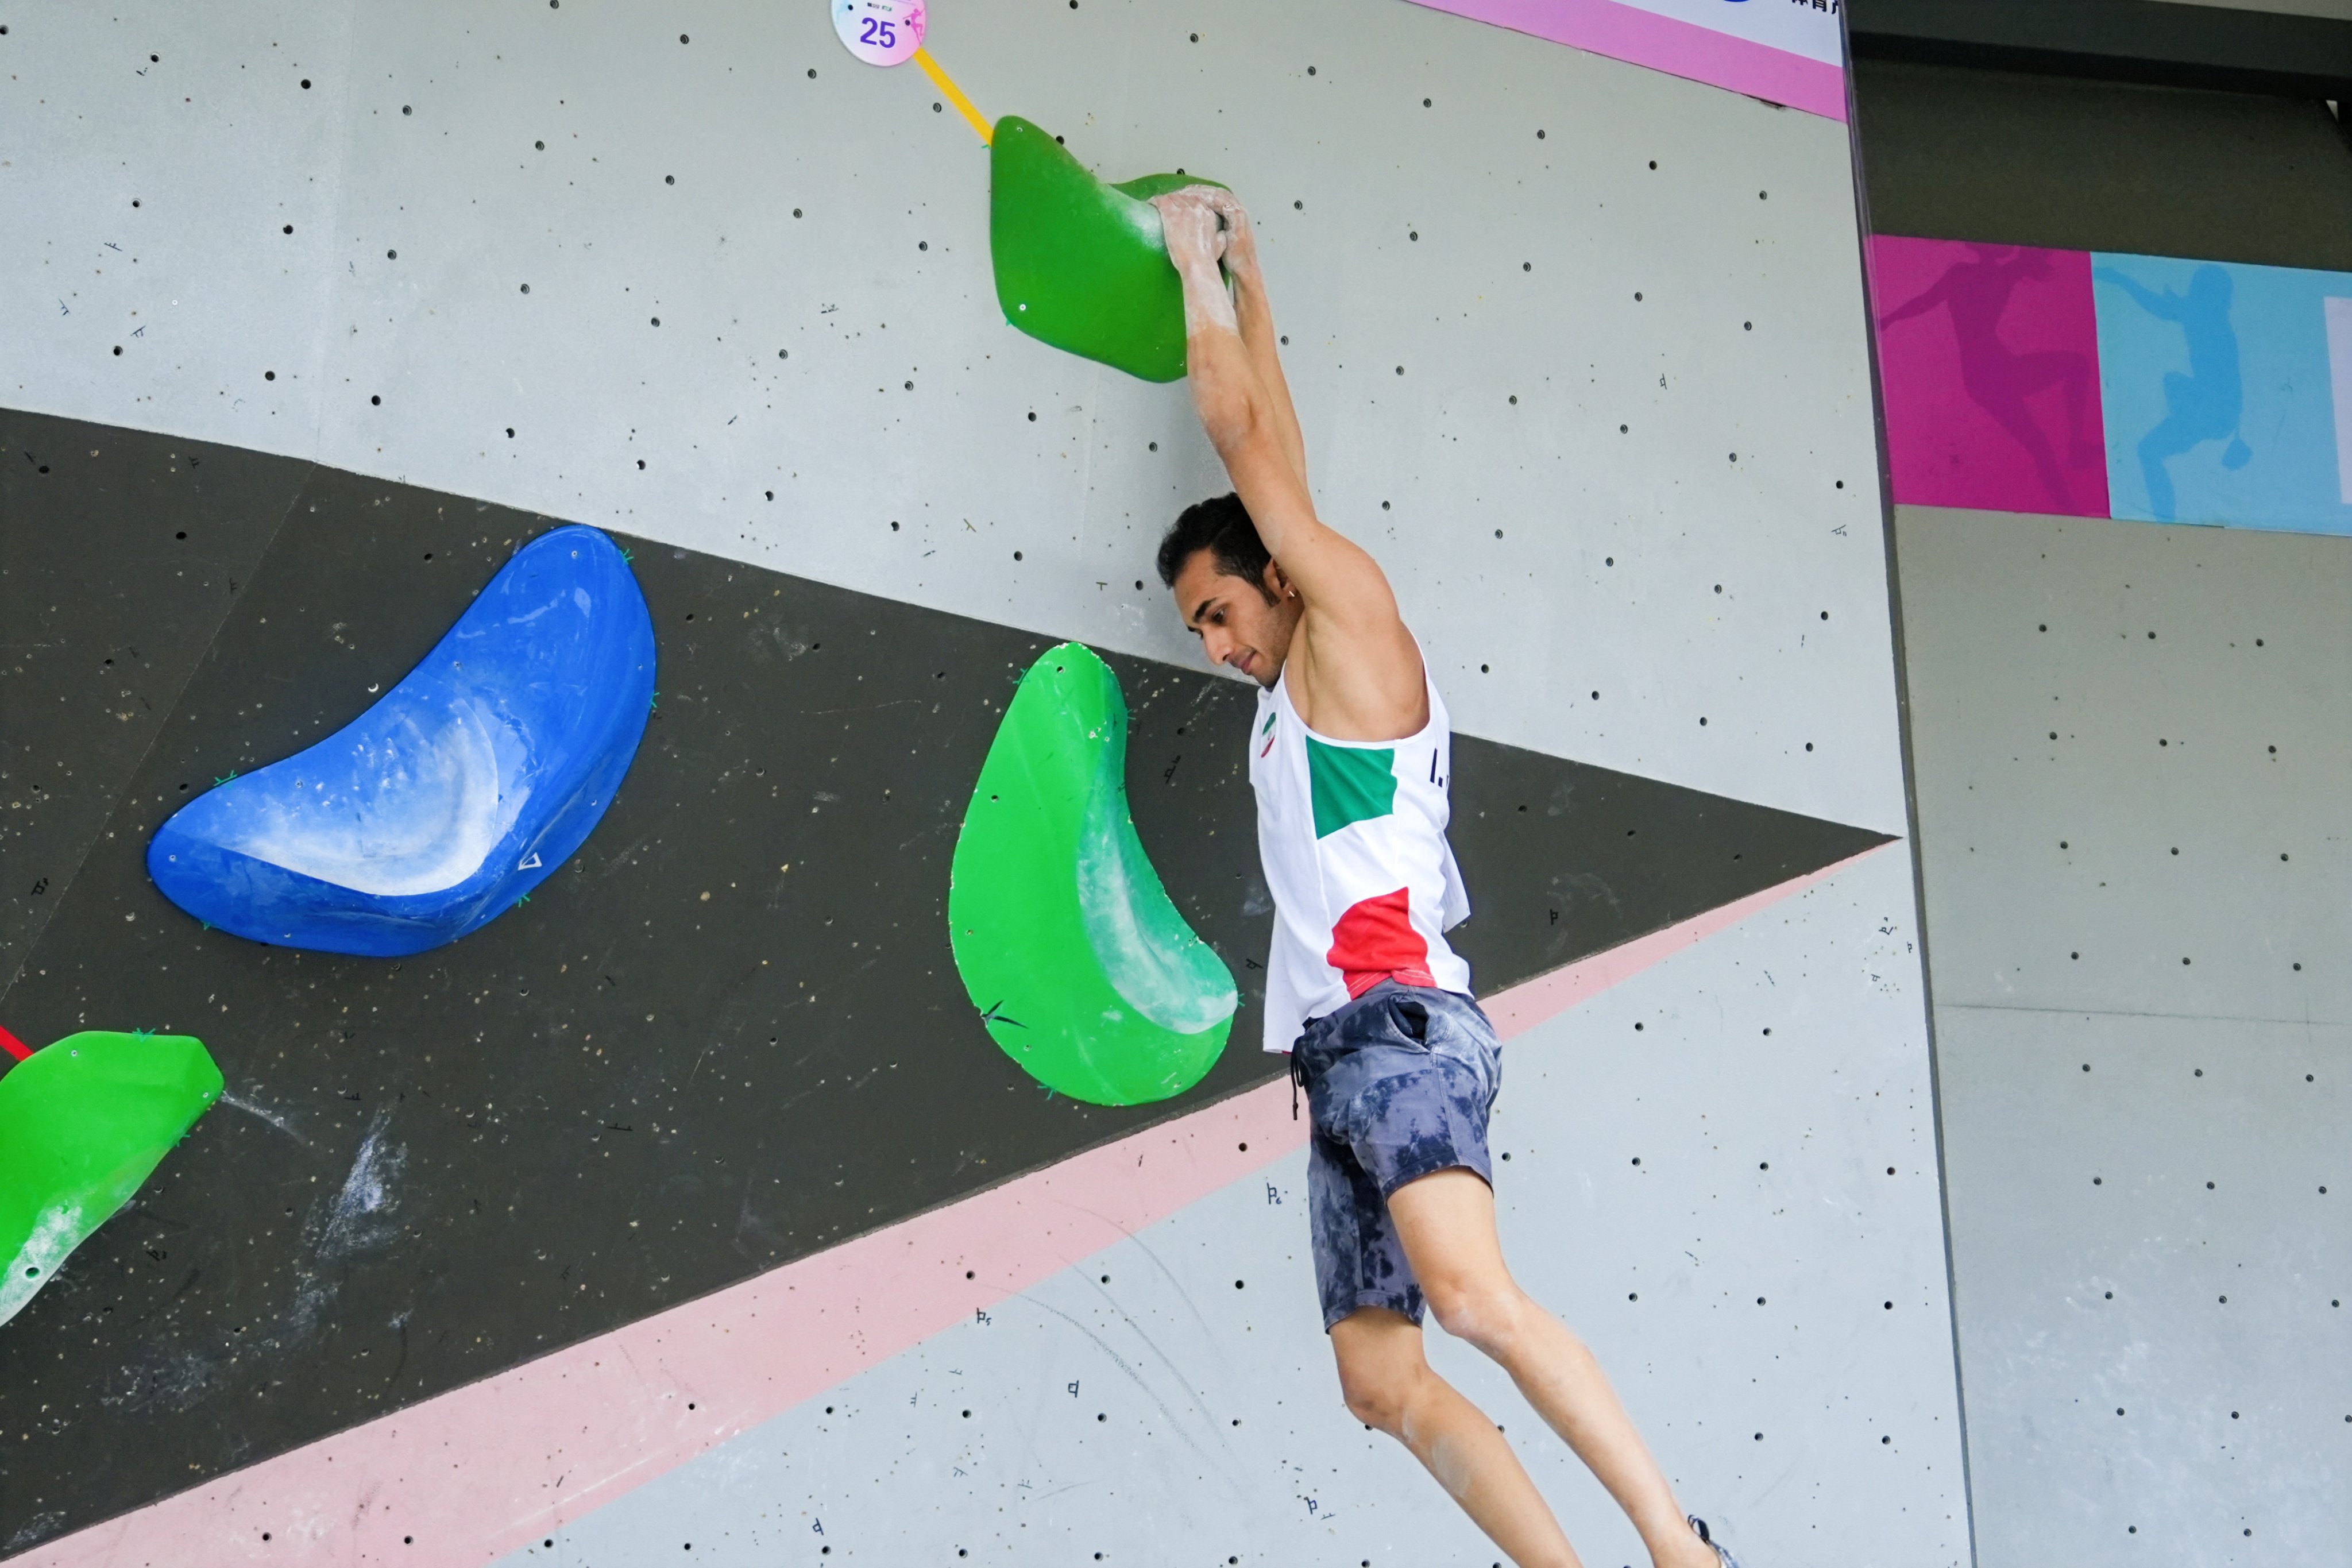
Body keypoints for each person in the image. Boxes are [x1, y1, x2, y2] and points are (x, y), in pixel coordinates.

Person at [1145, 186, 1742, 1568]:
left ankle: (1681, 1551)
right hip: (1338, 1057)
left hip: (1401, 1027)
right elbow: (1277, 444)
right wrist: (1250, 281)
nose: (1215, 647)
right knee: (1379, 1382)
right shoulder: (1291, 687)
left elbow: (1248, 446)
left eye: (1218, 611)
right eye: (1195, 632)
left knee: (1472, 1301)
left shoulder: (1349, 634)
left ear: (1279, 579)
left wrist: (1189, 270)